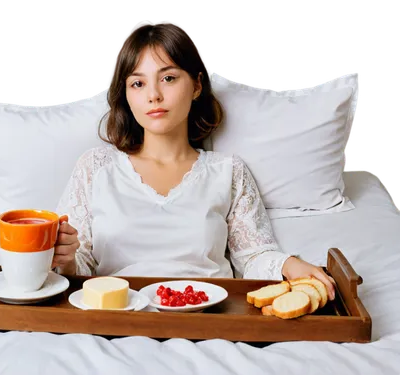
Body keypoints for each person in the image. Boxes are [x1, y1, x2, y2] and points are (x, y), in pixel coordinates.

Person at [52, 20, 336, 300]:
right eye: (138, 83)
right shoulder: (95, 168)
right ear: (126, 95)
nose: (153, 95)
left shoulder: (228, 171)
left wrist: (288, 265)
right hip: (120, 316)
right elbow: (80, 264)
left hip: (208, 318)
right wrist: (64, 260)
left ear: (197, 85)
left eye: (168, 78)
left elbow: (253, 258)